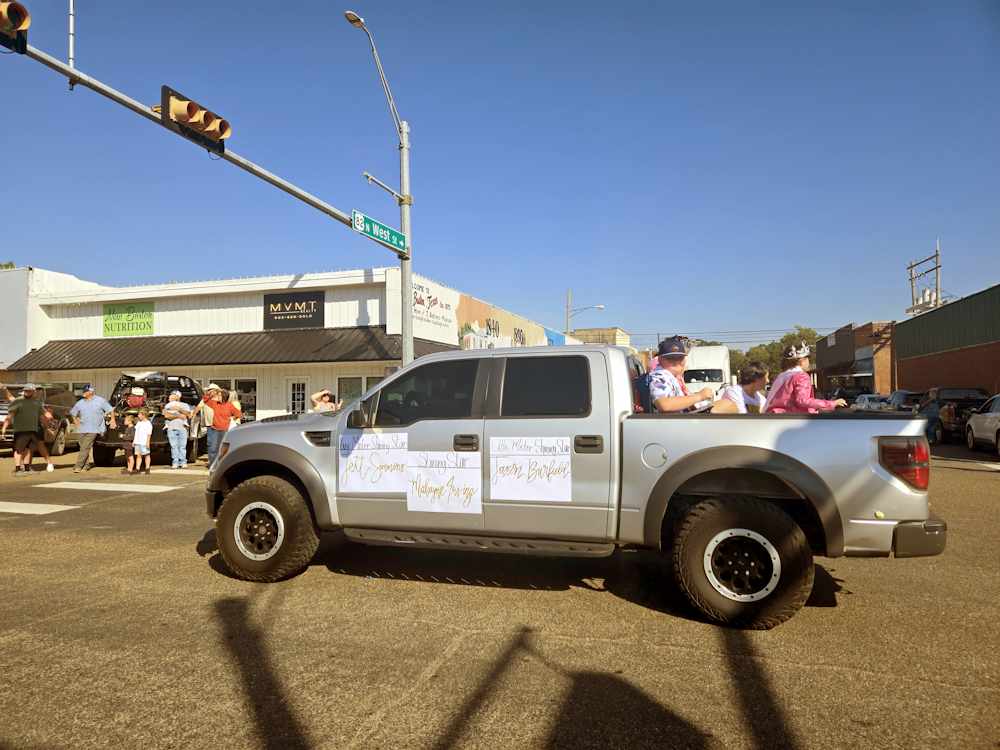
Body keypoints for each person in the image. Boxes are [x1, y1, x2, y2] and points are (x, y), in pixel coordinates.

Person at [763, 343, 847, 414]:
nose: (808, 362)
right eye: (808, 358)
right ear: (802, 360)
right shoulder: (801, 376)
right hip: (791, 421)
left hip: (773, 418)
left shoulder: (781, 376)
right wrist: (832, 403)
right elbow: (803, 400)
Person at [649, 336, 715, 413]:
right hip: (674, 422)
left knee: (725, 404)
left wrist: (694, 401)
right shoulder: (659, 376)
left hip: (680, 420)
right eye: (670, 358)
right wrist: (699, 396)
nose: (676, 361)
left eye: (679, 357)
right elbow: (664, 405)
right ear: (660, 359)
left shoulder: (671, 376)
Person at [3, 384, 55, 475]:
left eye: (29, 390)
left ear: (34, 392)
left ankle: (27, 469)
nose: (27, 392)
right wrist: (4, 428)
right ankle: (18, 469)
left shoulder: (37, 402)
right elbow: (10, 416)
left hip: (33, 429)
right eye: (26, 390)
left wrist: (50, 417)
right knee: (19, 450)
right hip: (21, 430)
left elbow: (44, 414)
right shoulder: (18, 401)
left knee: (28, 450)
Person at [70, 384, 116, 473]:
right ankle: (86, 465)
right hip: (81, 429)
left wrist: (113, 420)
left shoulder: (100, 401)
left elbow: (110, 410)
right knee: (83, 448)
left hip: (94, 428)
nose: (83, 393)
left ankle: (78, 466)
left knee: (85, 447)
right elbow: (73, 413)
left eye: (85, 391)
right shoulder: (80, 402)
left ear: (90, 392)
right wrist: (76, 421)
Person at [194, 384, 241, 465]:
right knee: (213, 449)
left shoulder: (229, 405)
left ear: (224, 396)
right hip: (214, 429)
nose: (217, 397)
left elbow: (239, 414)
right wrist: (211, 392)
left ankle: (221, 465)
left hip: (225, 430)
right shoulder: (215, 404)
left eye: (219, 395)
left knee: (222, 449)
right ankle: (213, 465)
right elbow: (205, 399)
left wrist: (232, 418)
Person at [162, 390, 192, 469]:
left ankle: (183, 462)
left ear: (178, 397)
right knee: (174, 446)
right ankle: (175, 462)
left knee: (182, 446)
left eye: (173, 395)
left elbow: (188, 415)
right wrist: (179, 416)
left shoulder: (185, 405)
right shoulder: (167, 405)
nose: (171, 397)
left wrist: (179, 409)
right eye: (171, 395)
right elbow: (166, 416)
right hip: (171, 428)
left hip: (182, 428)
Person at [132, 409, 153, 475]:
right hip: (138, 442)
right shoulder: (139, 423)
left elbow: (149, 434)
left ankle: (147, 468)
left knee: (146, 455)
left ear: (144, 415)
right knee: (138, 455)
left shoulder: (148, 423)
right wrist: (134, 441)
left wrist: (147, 442)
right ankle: (137, 468)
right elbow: (136, 432)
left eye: (139, 414)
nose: (138, 416)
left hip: (144, 442)